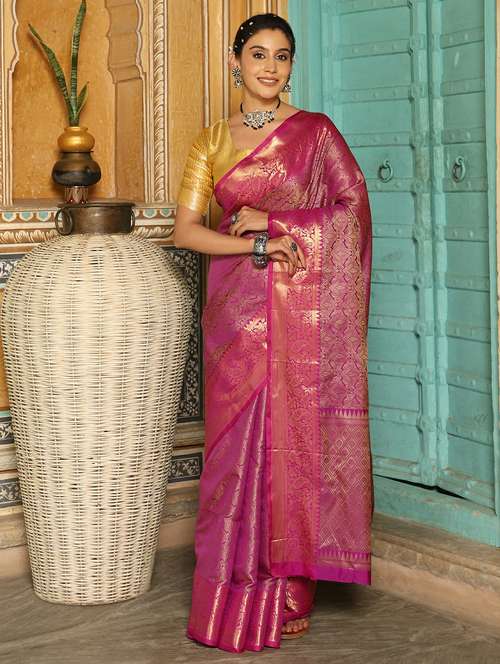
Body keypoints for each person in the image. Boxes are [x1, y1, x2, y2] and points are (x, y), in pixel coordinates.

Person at [174, 13, 374, 654]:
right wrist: (257, 241)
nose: (269, 67)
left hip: (298, 319)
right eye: (257, 54)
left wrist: (277, 219)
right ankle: (229, 588)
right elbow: (186, 232)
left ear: (291, 66)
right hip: (235, 316)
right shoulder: (210, 141)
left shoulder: (315, 133)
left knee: (291, 446)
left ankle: (287, 589)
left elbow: (353, 211)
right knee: (232, 458)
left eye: (281, 56)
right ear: (235, 61)